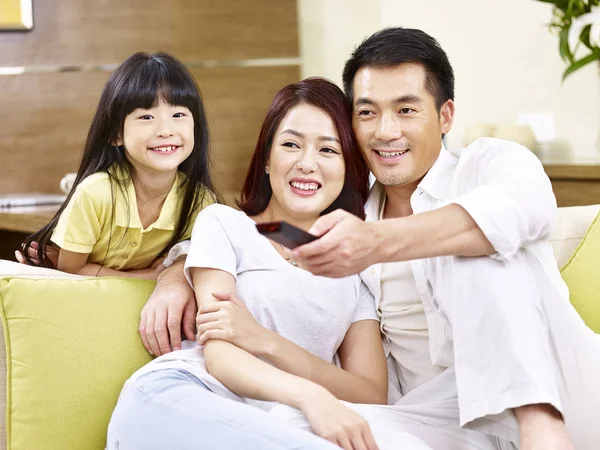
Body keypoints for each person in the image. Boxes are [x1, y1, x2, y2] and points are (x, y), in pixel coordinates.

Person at [136, 28, 600, 450]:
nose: (386, 130)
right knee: (293, 426)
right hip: (436, 419)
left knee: (477, 251)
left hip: (559, 392)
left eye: (406, 109)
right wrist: (176, 270)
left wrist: (377, 242)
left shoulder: (486, 166)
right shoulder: (347, 224)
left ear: (446, 115)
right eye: (367, 113)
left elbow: (520, 210)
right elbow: (258, 231)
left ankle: (539, 426)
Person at [107, 77, 424, 450]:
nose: (307, 164)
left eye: (328, 150)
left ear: (348, 168)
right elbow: (222, 356)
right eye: (291, 144)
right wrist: (312, 396)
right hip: (186, 398)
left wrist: (266, 344)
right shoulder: (225, 224)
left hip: (278, 424)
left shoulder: (354, 270)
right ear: (268, 160)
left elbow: (369, 393)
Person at [17, 51, 215, 280]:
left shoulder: (199, 201)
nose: (166, 130)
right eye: (146, 117)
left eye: (178, 114)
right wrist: (147, 276)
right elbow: (71, 269)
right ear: (115, 135)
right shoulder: (96, 193)